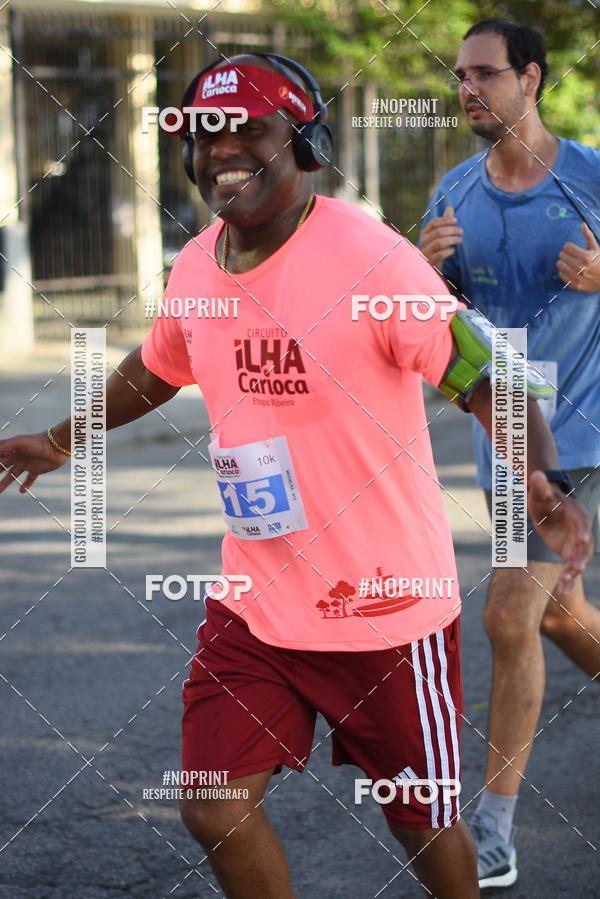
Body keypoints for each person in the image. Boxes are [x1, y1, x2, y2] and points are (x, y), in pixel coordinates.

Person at [0, 52, 593, 899]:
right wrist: (61, 440)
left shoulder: (371, 258)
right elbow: (159, 366)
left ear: (304, 142)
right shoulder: (199, 263)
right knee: (212, 804)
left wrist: (542, 477)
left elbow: (486, 375)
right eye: (206, 134)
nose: (222, 151)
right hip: (258, 606)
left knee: (422, 822)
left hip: (384, 614)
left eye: (250, 130)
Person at [420, 18, 600, 890]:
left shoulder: (594, 176)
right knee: (556, 612)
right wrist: (424, 273)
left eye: (485, 74)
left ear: (530, 78)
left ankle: (491, 826)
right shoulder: (451, 194)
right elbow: (428, 325)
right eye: (459, 75)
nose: (467, 89)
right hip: (508, 441)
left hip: (588, 432)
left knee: (505, 615)